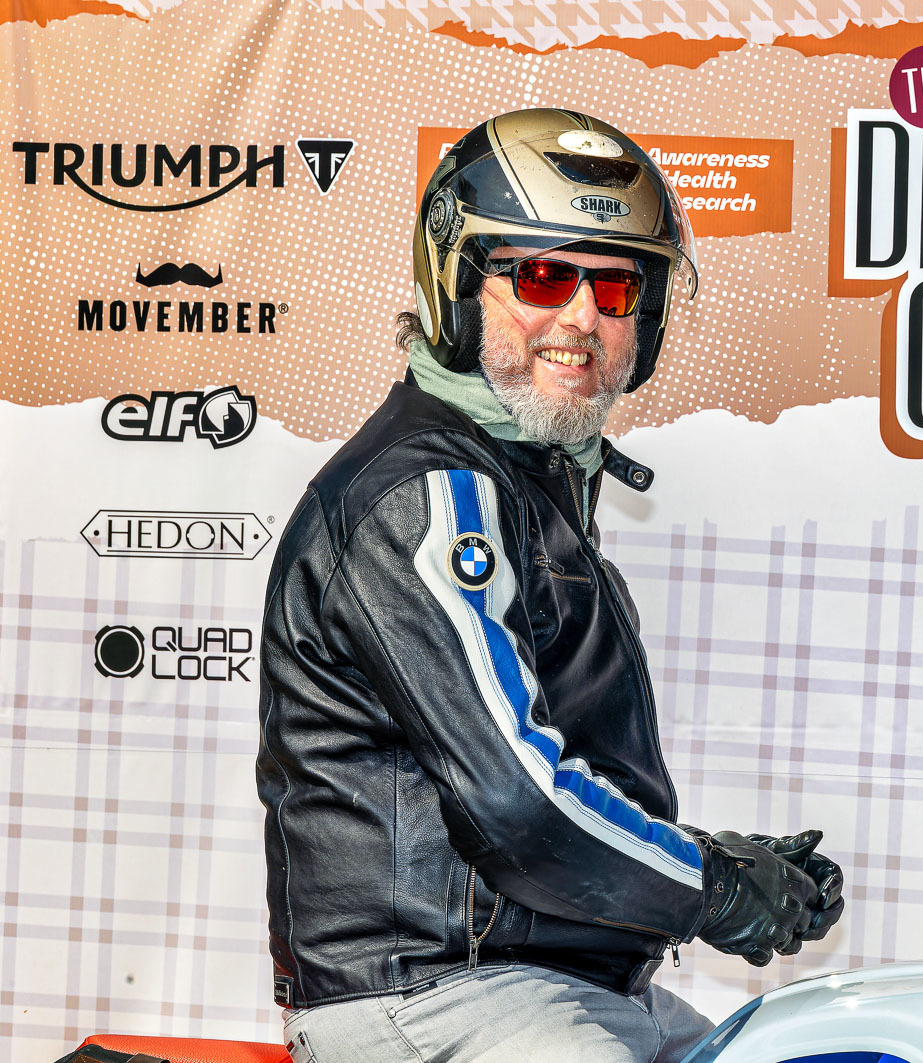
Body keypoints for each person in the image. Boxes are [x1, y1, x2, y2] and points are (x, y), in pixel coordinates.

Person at [255, 108, 844, 1063]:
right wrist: (711, 885)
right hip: (441, 992)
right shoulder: (432, 494)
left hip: (551, 983)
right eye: (539, 276)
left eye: (614, 285)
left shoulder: (520, 480)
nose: (580, 317)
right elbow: (518, 804)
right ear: (457, 286)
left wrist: (720, 862)